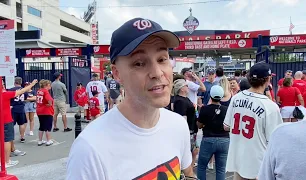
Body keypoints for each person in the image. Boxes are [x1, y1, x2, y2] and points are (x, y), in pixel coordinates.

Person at [67, 18, 194, 179]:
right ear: (117, 73)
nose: (157, 72)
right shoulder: (90, 149)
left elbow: (188, 173)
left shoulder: (178, 126)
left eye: (162, 59)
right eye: (139, 63)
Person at [258, 66, 306, 180]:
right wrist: (301, 106)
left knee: (287, 124)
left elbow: (278, 99)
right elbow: (300, 98)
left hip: (285, 109)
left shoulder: (280, 134)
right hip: (293, 108)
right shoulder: (295, 89)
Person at [223, 63, 283, 180]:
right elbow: (276, 140)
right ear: (267, 79)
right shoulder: (270, 106)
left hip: (238, 158)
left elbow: (226, 126)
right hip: (258, 163)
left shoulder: (236, 97)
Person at [2, 79, 37, 167]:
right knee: (7, 140)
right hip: (7, 118)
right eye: (2, 84)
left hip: (6, 116)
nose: (3, 85)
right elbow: (23, 91)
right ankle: (6, 161)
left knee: (5, 139)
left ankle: (4, 160)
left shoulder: (7, 92)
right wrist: (31, 84)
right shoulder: (5, 94)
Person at [197, 85, 229, 180]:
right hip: (224, 140)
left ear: (210, 95)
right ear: (222, 96)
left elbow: (199, 125)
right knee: (220, 169)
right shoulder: (226, 109)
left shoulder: (204, 109)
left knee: (202, 166)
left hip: (208, 139)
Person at [173, 79, 198, 168]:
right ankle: (187, 169)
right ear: (182, 89)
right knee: (191, 150)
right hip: (188, 129)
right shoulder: (180, 101)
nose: (188, 87)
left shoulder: (185, 99)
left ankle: (188, 168)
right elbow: (182, 117)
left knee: (193, 150)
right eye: (186, 86)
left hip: (191, 128)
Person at [9, 77, 28, 143]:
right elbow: (25, 98)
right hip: (21, 108)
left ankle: (11, 138)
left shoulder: (11, 90)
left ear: (15, 82)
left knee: (11, 124)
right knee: (21, 123)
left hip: (13, 108)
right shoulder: (24, 90)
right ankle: (22, 137)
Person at [36, 79, 54, 146]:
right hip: (46, 111)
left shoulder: (39, 91)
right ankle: (48, 140)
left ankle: (40, 140)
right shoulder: (46, 92)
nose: (50, 86)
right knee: (48, 126)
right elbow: (49, 100)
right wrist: (49, 104)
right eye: (49, 85)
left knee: (42, 126)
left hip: (39, 110)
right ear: (47, 85)